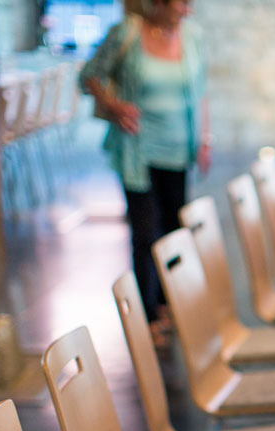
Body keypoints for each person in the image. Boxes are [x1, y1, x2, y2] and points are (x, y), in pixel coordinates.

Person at [80, 0, 210, 345]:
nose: (188, 11)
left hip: (179, 147)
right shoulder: (126, 34)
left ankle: (172, 302)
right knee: (144, 230)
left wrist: (205, 139)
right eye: (182, 3)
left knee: (174, 226)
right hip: (137, 148)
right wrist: (113, 105)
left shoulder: (192, 37)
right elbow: (88, 75)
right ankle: (148, 313)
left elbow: (200, 92)